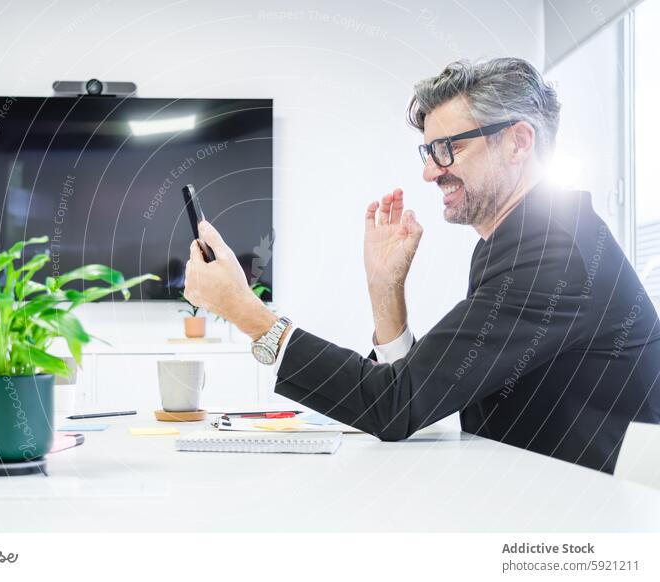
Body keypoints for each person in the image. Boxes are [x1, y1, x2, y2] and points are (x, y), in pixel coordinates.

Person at [183, 57, 660, 473]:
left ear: (518, 142)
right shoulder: (527, 239)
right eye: (429, 151)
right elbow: (415, 393)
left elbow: (395, 404)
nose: (430, 171)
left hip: (585, 519)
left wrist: (247, 312)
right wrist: (385, 292)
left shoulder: (553, 255)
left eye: (448, 148)